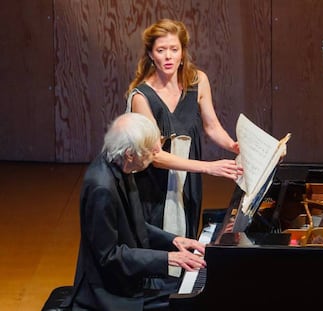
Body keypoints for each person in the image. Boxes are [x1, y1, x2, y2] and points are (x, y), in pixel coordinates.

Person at [68, 113, 206, 311]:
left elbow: (135, 223)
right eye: (150, 152)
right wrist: (168, 258)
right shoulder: (102, 188)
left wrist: (174, 241)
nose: (155, 155)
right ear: (130, 154)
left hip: (131, 280)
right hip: (109, 294)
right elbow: (108, 256)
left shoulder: (122, 166)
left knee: (188, 291)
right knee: (188, 303)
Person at [125, 18, 242, 239]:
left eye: (174, 49)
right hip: (152, 186)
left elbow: (212, 126)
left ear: (182, 52)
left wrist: (233, 146)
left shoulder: (198, 81)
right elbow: (155, 156)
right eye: (161, 50)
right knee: (158, 247)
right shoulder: (142, 96)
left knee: (187, 238)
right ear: (151, 54)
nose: (168, 56)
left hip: (187, 181)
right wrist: (208, 167)